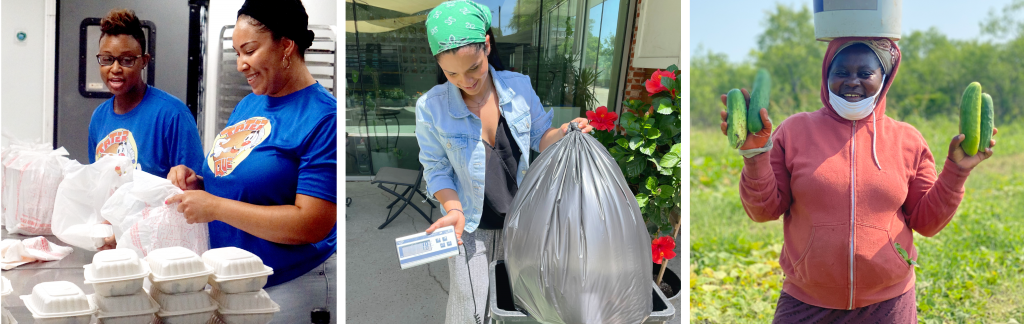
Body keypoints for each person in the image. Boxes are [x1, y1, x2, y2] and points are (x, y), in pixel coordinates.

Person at [719, 38, 998, 322]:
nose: (852, 82)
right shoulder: (794, 131)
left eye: (865, 74)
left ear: (884, 79)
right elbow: (763, 211)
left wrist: (957, 171)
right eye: (841, 72)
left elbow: (927, 223)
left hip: (888, 302)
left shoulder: (908, 139)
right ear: (827, 76)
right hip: (806, 300)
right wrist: (755, 155)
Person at [416, 1, 594, 323]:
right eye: (451, 73)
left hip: (523, 224)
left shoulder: (519, 86)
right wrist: (453, 209)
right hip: (468, 227)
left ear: (487, 44)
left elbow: (542, 136)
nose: (465, 81)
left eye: (473, 68)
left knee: (517, 305)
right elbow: (436, 168)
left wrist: (566, 131)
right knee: (468, 310)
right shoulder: (430, 107)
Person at [164, 0, 338, 323]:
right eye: (237, 53)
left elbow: (312, 224)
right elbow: (244, 181)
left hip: (291, 289)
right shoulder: (248, 105)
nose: (241, 64)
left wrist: (213, 206)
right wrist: (199, 183)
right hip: (232, 286)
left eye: (249, 51)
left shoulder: (324, 118)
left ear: (286, 46)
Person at [88, 8, 204, 178]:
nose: (115, 69)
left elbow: (196, 190)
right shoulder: (99, 117)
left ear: (144, 61)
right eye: (107, 59)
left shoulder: (172, 115)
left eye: (126, 60)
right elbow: (96, 181)